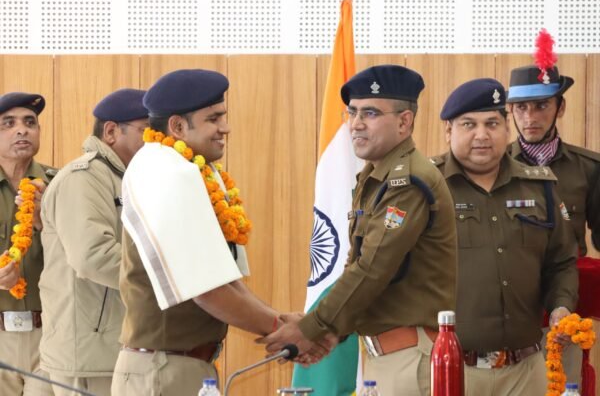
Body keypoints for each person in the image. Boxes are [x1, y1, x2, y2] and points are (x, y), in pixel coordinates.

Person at [260, 65, 458, 396]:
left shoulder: (408, 181)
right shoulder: (374, 177)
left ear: (404, 121)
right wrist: (330, 330)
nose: (356, 124)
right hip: (389, 357)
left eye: (370, 113)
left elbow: (372, 269)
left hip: (409, 360)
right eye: (352, 113)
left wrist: (311, 327)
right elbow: (358, 265)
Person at [111, 69, 286, 396]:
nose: (225, 127)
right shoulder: (166, 172)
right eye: (214, 119)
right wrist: (280, 327)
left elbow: (224, 277)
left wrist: (281, 321)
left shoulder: (187, 167)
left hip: (178, 367)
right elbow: (206, 290)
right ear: (177, 127)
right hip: (163, 371)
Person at [433, 78, 578, 395]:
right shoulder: (427, 188)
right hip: (451, 369)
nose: (482, 135)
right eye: (469, 124)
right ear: (448, 131)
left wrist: (561, 306)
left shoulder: (539, 186)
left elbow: (561, 261)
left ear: (507, 128)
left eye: (492, 123)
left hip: (526, 371)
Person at [38, 89, 149, 396]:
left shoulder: (127, 178)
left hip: (117, 346)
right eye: (146, 131)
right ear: (111, 131)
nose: (157, 141)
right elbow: (94, 257)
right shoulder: (84, 177)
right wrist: (164, 278)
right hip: (89, 354)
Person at [506, 63, 600, 384]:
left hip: (565, 308)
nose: (530, 117)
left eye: (541, 105)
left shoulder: (589, 168)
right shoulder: (494, 168)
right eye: (521, 107)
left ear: (560, 108)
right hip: (510, 308)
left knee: (564, 386)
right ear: (510, 110)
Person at [0, 92, 55, 395]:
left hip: (50, 334)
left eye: (29, 122)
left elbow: (82, 257)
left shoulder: (60, 184)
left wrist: (45, 223)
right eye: (8, 123)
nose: (22, 130)